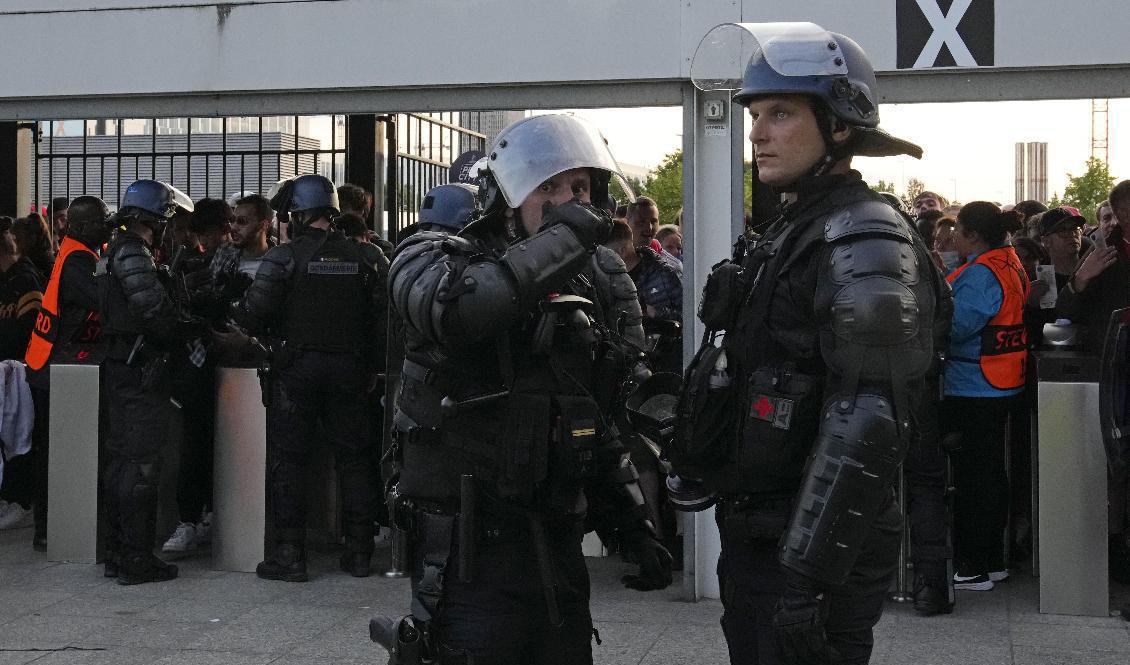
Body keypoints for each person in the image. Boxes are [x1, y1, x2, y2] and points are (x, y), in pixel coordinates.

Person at [685, 22, 946, 663]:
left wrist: (805, 582)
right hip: (765, 536)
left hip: (809, 558)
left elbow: (870, 423)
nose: (758, 132)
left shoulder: (865, 237)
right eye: (755, 113)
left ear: (839, 126)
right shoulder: (795, 227)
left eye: (781, 112)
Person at [381, 113, 671, 664]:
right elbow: (459, 310)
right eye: (548, 186)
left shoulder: (595, 280)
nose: (567, 201)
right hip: (466, 552)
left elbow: (593, 416)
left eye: (580, 188)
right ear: (508, 196)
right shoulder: (437, 259)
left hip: (556, 541)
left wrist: (632, 525)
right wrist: (565, 241)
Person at [232, 174, 389, 582]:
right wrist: (373, 368)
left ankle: (290, 555)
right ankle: (358, 552)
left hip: (296, 371)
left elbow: (252, 314)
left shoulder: (284, 258)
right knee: (355, 461)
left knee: (291, 462)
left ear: (299, 215)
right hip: (352, 371)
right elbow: (384, 323)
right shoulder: (368, 257)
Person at [98, 179, 194, 585]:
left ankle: (119, 552)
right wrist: (186, 328)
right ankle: (136, 558)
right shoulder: (133, 252)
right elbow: (153, 311)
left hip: (122, 366)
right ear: (158, 218)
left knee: (122, 460)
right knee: (139, 464)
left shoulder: (113, 251)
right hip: (139, 370)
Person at [942, 202, 1029, 591]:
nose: (953, 237)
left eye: (957, 230)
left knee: (974, 478)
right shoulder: (1009, 261)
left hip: (973, 383)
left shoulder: (980, 274)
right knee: (992, 473)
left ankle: (972, 565)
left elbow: (958, 327)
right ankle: (993, 560)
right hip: (1004, 380)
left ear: (973, 235)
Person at [23, 196, 112, 551]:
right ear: (81, 226)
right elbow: (100, 300)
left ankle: (49, 525)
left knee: (53, 450)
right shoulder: (77, 259)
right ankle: (49, 527)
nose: (107, 227)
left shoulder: (77, 253)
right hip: (55, 366)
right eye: (102, 222)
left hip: (51, 362)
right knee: (57, 452)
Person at [1056, 180, 1130, 584]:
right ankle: (1115, 544)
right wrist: (1081, 280)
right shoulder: (1102, 254)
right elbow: (1066, 309)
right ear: (1119, 213)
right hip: (1114, 366)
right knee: (1116, 462)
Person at [0, 216, 45, 532]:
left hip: (19, 370)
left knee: (20, 435)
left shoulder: (25, 280)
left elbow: (26, 330)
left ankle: (20, 501)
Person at [1038, 207, 1089, 290]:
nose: (1072, 234)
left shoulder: (1095, 271)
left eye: (1075, 228)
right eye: (1062, 230)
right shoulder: (1039, 281)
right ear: (1046, 241)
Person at [12, 214, 56, 278]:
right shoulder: (42, 257)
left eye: (18, 240)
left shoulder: (41, 263)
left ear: (29, 239)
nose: (14, 244)